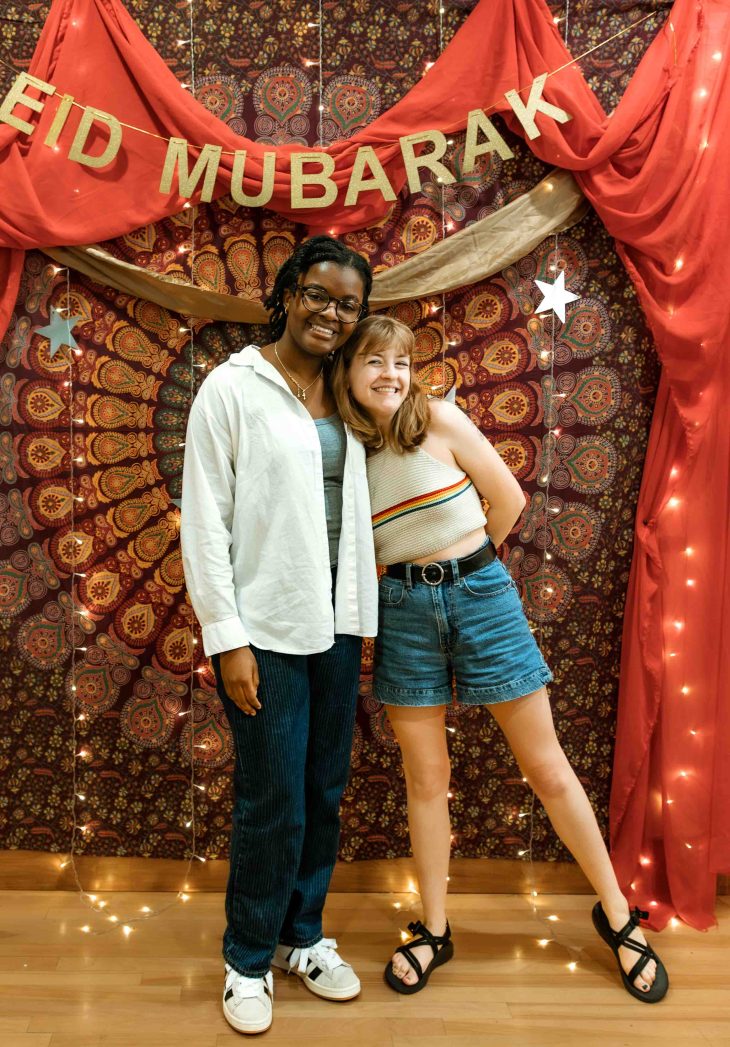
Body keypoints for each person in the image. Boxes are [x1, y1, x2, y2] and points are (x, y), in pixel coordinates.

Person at [331, 313, 668, 1004]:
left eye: (400, 361)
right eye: (374, 361)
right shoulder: (346, 452)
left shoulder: (439, 419)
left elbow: (507, 499)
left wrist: (469, 570)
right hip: (402, 609)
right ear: (348, 372)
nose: (390, 374)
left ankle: (617, 916)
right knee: (426, 778)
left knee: (547, 768)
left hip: (480, 595)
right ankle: (434, 928)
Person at [180, 236, 378, 1036]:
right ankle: (248, 956)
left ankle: (302, 936)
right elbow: (205, 521)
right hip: (265, 625)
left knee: (324, 788)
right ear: (290, 292)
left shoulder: (355, 388)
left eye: (349, 304)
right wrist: (226, 638)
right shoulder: (232, 387)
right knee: (272, 796)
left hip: (340, 619)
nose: (332, 313)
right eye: (319, 295)